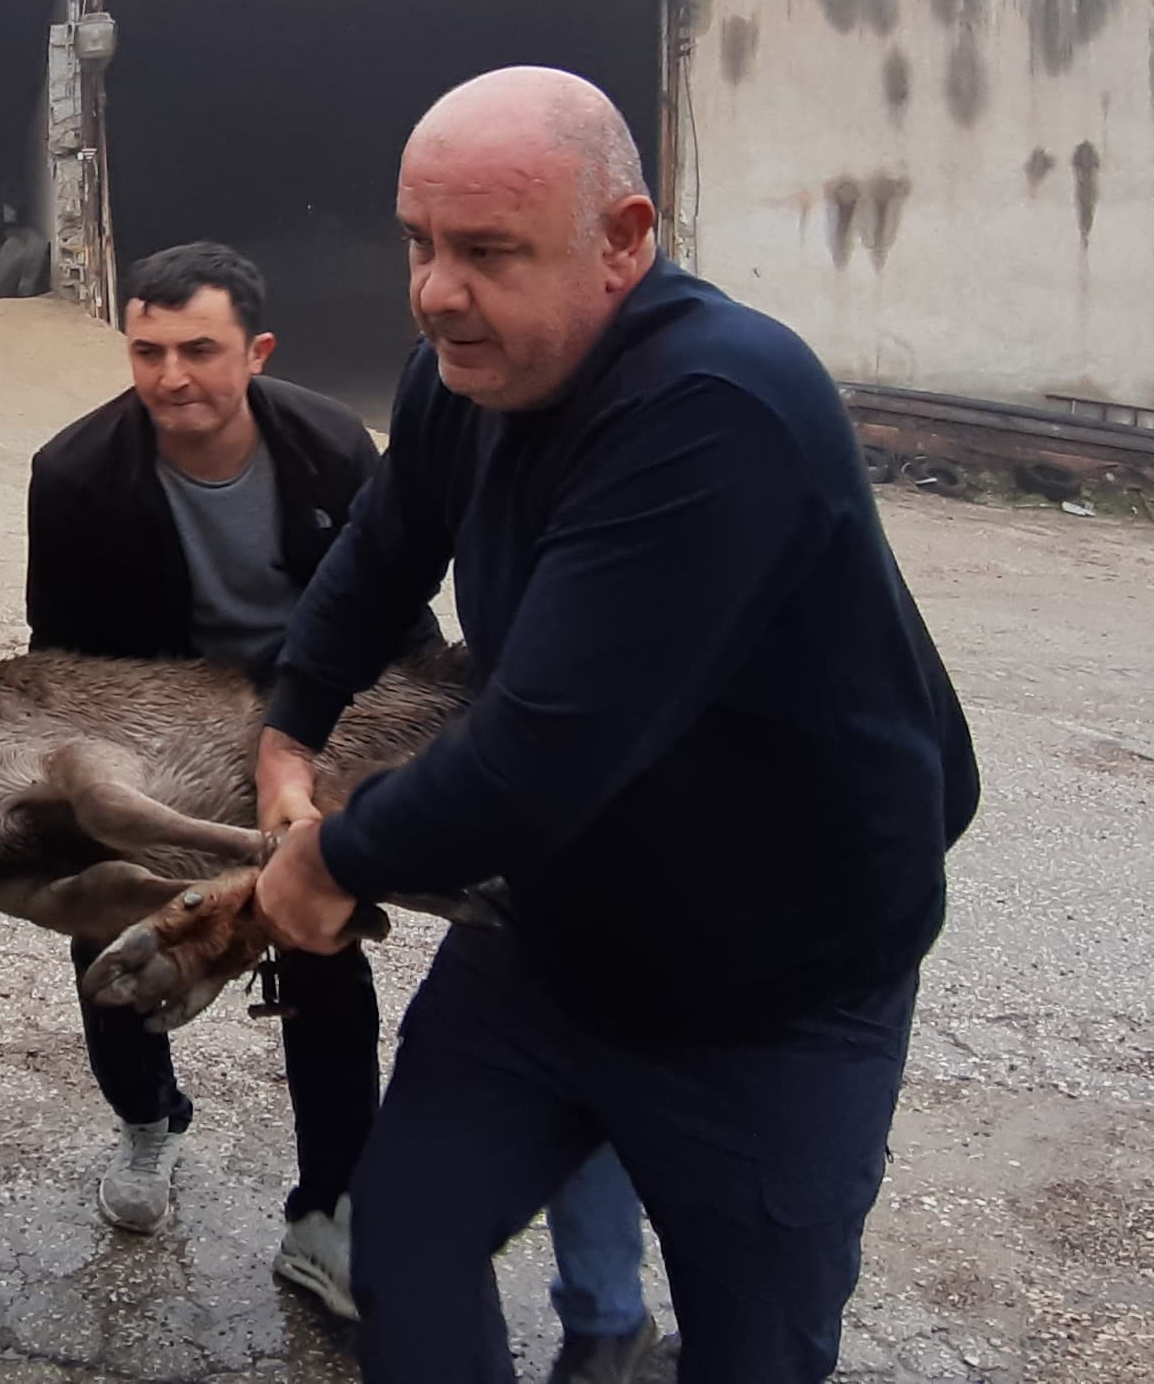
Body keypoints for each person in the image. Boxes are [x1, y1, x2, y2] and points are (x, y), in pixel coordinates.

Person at [251, 67, 979, 1384]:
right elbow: (384, 546)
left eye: (486, 252)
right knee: (404, 1247)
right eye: (418, 244)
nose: (433, 293)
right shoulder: (461, 373)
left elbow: (541, 752)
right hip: (556, 946)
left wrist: (328, 860)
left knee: (755, 1350)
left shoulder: (716, 406)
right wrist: (289, 726)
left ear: (625, 241)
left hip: (776, 994)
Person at [28, 245, 655, 1359]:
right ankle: (145, 1121)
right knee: (108, 946)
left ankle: (324, 1207)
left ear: (257, 353)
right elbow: (65, 669)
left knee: (324, 951)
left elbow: (391, 609)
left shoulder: (327, 444)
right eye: (147, 352)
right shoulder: (75, 474)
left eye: (200, 351)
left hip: (302, 732)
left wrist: (403, 747)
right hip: (155, 738)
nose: (171, 377)